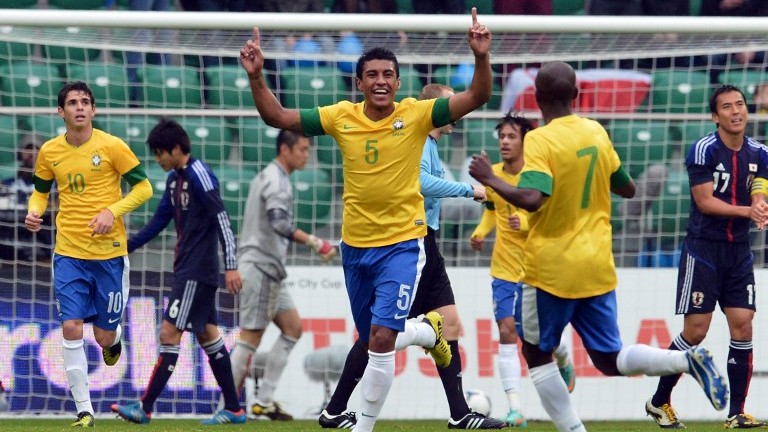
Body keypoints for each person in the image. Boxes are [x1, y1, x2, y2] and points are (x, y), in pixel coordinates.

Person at [239, 8, 492, 431]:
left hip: (403, 245)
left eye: (388, 74)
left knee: (381, 338)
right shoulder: (342, 117)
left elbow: (477, 97)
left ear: (398, 81)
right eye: (371, 74)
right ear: (359, 82)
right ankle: (421, 343)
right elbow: (277, 118)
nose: (380, 81)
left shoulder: (417, 114)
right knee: (374, 339)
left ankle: (362, 423)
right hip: (354, 250)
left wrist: (481, 57)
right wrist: (256, 76)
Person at [468, 61, 731, 432]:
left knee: (536, 352)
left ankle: (574, 430)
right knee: (609, 358)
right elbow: (627, 188)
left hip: (550, 269)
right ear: (576, 95)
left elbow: (532, 199)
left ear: (537, 98)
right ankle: (687, 361)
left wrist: (491, 178)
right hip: (597, 264)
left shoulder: (540, 139)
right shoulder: (596, 131)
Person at [317, 83, 506, 430]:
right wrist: (470, 191)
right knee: (380, 333)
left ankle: (460, 413)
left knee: (449, 324)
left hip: (426, 243)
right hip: (409, 243)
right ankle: (335, 408)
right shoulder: (417, 140)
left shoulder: (430, 144)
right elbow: (419, 183)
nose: (455, 112)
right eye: (450, 104)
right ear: (435, 106)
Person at [24, 81, 153, 427]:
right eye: (72, 102)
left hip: (110, 254)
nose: (79, 107)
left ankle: (116, 338)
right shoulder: (50, 152)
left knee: (103, 338)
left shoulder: (112, 146)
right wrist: (34, 210)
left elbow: (144, 187)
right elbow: (40, 193)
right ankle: (84, 409)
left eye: (85, 102)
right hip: (67, 252)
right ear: (61, 111)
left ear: (93, 110)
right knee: (70, 326)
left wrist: (113, 211)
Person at [644, 85, 768, 430]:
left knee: (743, 323)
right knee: (696, 331)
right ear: (715, 116)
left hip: (739, 251)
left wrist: (758, 201)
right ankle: (659, 399)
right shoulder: (703, 149)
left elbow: (760, 182)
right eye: (727, 107)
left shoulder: (760, 151)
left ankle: (736, 412)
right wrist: (748, 210)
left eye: (740, 105)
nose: (735, 111)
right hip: (704, 249)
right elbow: (705, 202)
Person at [110, 118, 246, 425]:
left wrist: (232, 265)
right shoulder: (175, 180)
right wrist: (124, 246)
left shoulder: (200, 174)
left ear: (175, 149)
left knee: (169, 331)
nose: (157, 159)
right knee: (208, 334)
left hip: (198, 271)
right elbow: (159, 221)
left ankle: (144, 407)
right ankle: (235, 408)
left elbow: (222, 218)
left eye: (160, 153)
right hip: (188, 268)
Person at [469, 112, 575, 427]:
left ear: (525, 141)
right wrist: (480, 232)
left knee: (541, 340)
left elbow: (552, 217)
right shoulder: (495, 174)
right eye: (501, 136)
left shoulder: (536, 175)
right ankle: (515, 408)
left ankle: (563, 356)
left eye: (511, 136)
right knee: (505, 331)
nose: (504, 141)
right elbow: (491, 211)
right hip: (503, 268)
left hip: (535, 269)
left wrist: (526, 221)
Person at [226, 129, 336, 421]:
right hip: (261, 266)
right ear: (285, 150)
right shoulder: (276, 180)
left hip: (270, 268)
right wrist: (315, 242)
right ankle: (227, 407)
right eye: (302, 149)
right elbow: (279, 222)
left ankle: (263, 400)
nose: (307, 154)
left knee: (293, 328)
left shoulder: (271, 176)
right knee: (250, 336)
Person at [1, 138, 52, 262]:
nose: (32, 153)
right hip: (11, 247)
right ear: (20, 154)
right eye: (28, 149)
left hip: (44, 249)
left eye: (36, 149)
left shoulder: (54, 183)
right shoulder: (9, 183)